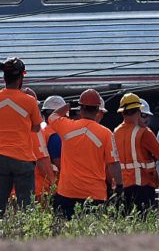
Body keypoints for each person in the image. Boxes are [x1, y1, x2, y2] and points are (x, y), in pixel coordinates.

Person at [47, 89, 122, 219]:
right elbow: (113, 163)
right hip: (95, 194)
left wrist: (69, 105)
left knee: (66, 233)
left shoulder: (66, 127)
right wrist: (119, 185)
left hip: (67, 192)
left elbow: (52, 117)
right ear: (98, 110)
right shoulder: (106, 134)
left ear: (81, 109)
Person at [0, 57, 46, 213]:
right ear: (21, 78)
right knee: (26, 206)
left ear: (3, 77)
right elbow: (37, 127)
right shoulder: (30, 101)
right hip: (23, 158)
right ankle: (25, 235)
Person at [113, 93, 159, 213]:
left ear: (122, 112)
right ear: (138, 111)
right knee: (144, 221)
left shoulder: (115, 132)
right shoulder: (144, 132)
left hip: (122, 185)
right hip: (142, 186)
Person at [21, 88, 55, 201]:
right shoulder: (34, 129)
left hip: (14, 189)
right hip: (36, 190)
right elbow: (42, 158)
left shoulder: (9, 128)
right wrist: (53, 184)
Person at [39, 95, 66, 196]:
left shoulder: (42, 132)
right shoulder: (55, 136)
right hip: (51, 187)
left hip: (41, 185)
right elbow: (61, 165)